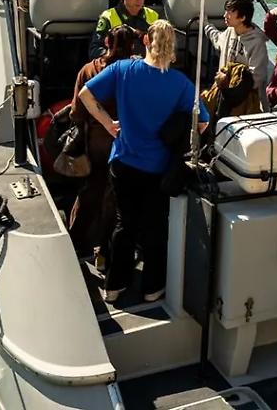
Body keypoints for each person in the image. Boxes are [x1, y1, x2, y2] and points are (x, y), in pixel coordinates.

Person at [78, 20, 209, 303]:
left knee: (124, 224)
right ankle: (152, 288)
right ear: (173, 47)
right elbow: (202, 125)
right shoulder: (182, 85)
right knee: (154, 227)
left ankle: (113, 286)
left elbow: (85, 95)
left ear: (146, 41)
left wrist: (109, 125)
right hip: (158, 168)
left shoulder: (123, 70)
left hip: (123, 162)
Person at [68, 24, 140, 269]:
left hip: (95, 145)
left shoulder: (89, 70)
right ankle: (104, 252)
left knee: (88, 194)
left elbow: (77, 111)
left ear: (107, 42)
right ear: (133, 46)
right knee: (115, 200)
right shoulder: (135, 72)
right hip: (125, 145)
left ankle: (76, 244)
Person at [204, 0, 271, 111]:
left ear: (242, 17)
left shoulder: (257, 43)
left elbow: (255, 79)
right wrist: (205, 25)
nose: (225, 15)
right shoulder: (230, 31)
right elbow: (217, 39)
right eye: (226, 11)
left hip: (243, 102)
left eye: (230, 12)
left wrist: (228, 78)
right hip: (224, 93)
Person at [89, 0, 160, 58]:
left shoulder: (153, 16)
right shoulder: (108, 17)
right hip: (118, 68)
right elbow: (94, 51)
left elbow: (163, 47)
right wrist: (121, 57)